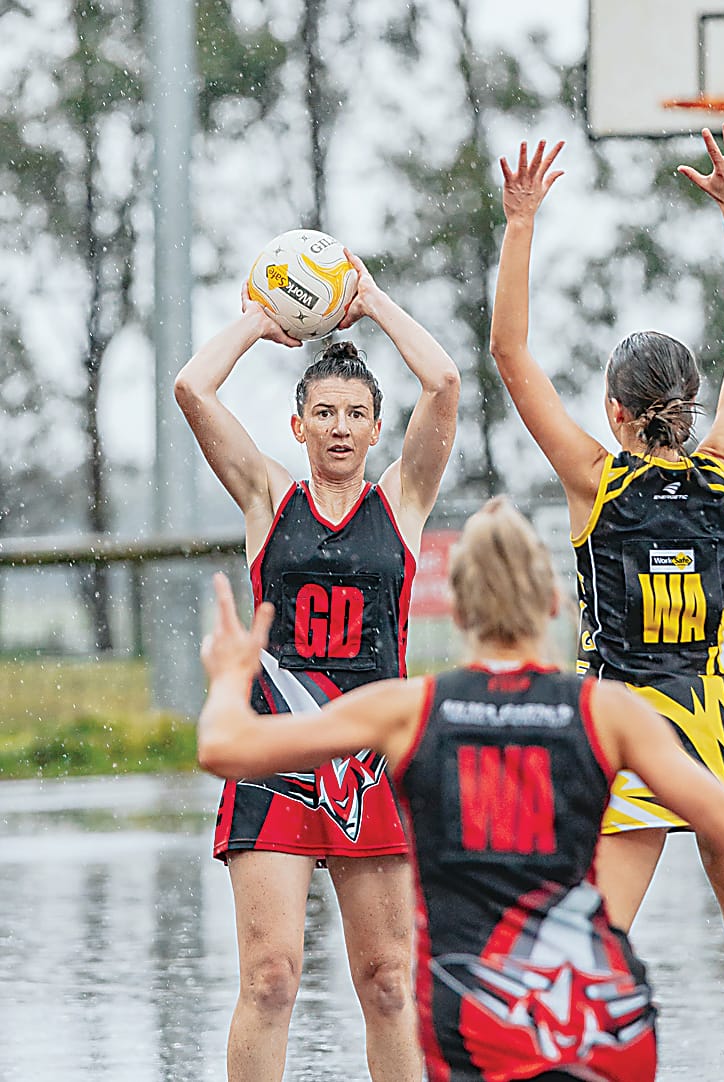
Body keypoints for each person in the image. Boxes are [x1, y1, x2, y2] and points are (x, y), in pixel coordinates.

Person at [196, 499, 724, 1082]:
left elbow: (222, 748)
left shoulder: (409, 711)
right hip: (600, 1018)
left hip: (482, 1017)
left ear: (456, 606)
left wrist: (232, 677)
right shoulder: (609, 711)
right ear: (553, 601)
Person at [486, 125, 724, 1080]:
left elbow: (509, 351)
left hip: (627, 747)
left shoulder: (595, 480)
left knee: (581, 981)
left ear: (613, 409)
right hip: (723, 740)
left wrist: (520, 223)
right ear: (689, 404)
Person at [175, 248, 460, 1082]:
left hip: (373, 768)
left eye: (355, 414)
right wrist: (262, 320)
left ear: (377, 428)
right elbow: (193, 389)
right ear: (298, 426)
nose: (339, 427)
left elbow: (442, 383)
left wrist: (369, 302)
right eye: (324, 412)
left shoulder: (403, 501)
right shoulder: (268, 497)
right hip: (275, 762)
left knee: (387, 981)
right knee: (270, 980)